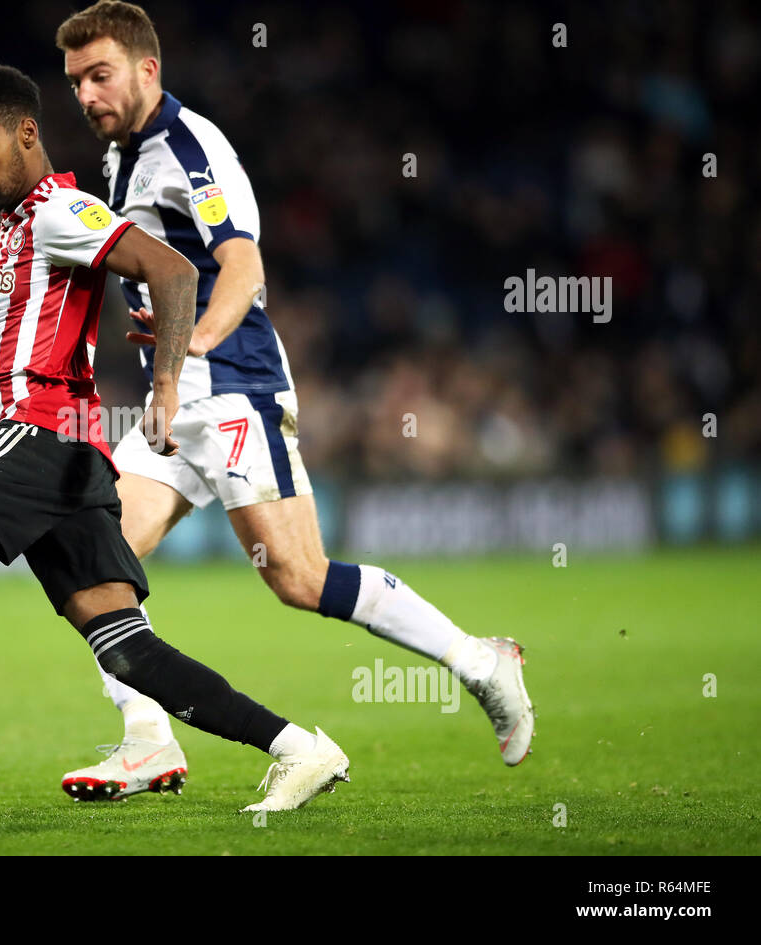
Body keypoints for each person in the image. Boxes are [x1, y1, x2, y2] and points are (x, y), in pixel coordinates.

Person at [54, 1, 534, 800]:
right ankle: (148, 742)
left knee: (299, 578)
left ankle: (482, 662)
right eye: (75, 81)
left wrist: (194, 343)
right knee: (97, 565)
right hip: (173, 401)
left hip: (234, 386)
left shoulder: (188, 148)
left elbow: (241, 268)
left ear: (148, 69)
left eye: (100, 75)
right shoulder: (123, 155)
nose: (86, 94)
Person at [0, 62, 351, 811]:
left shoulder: (60, 211)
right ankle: (300, 747)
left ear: (27, 133)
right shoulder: (21, 230)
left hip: (38, 432)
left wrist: (164, 387)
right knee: (128, 647)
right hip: (72, 462)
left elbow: (173, 270)